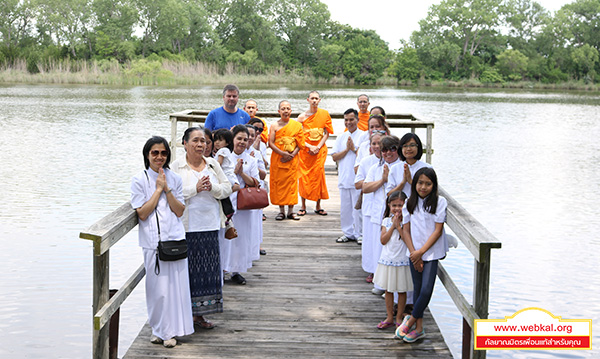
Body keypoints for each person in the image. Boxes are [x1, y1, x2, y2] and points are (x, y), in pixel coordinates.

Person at [130, 136, 193, 348]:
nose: (159, 157)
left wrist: (167, 189)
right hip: (152, 242)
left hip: (174, 237)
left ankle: (171, 331)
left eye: (163, 153)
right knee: (157, 289)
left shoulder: (174, 178)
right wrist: (157, 190)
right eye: (155, 153)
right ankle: (159, 329)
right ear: (147, 155)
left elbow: (179, 210)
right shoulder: (139, 180)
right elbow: (143, 213)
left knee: (176, 288)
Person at [171, 127, 232, 330]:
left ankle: (201, 316)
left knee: (208, 272)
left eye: (204, 142)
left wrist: (211, 188)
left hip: (210, 225)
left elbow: (227, 188)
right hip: (186, 228)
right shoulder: (177, 167)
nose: (200, 145)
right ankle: (184, 315)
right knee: (187, 272)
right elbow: (171, 194)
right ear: (185, 143)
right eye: (195, 141)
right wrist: (195, 189)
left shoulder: (213, 164)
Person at [395, 167, 448, 343]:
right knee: (417, 290)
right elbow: (406, 230)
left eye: (428, 184)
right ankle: (419, 329)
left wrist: (421, 252)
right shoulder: (410, 202)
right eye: (420, 183)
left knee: (426, 290)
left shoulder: (440, 202)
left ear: (434, 185)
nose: (423, 187)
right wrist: (413, 254)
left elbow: (438, 231)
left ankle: (409, 321)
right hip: (413, 251)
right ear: (414, 183)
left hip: (431, 252)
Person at [219, 125, 260, 285]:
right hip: (226, 202)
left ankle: (236, 270)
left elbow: (257, 183)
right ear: (232, 139)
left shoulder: (251, 159)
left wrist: (241, 172)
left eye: (245, 139)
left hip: (243, 205)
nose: (242, 142)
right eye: (239, 139)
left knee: (240, 238)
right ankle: (222, 269)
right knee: (225, 238)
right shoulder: (224, 156)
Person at [362, 135, 401, 294]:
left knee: (394, 251)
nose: (388, 153)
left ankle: (392, 288)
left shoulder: (402, 167)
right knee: (379, 249)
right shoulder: (375, 168)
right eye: (384, 150)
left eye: (392, 149)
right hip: (378, 214)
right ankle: (380, 284)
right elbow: (365, 188)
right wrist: (383, 180)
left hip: (397, 214)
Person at [374, 191, 413, 329]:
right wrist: (392, 226)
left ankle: (398, 317)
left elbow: (406, 239)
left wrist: (399, 227)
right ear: (389, 206)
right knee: (388, 290)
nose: (397, 208)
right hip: (388, 260)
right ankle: (389, 316)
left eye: (400, 205)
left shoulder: (407, 222)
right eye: (394, 205)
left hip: (401, 260)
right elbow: (383, 240)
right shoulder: (385, 221)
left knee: (402, 290)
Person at [297, 91, 333, 216]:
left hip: (319, 150)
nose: (314, 101)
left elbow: (327, 133)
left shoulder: (324, 114)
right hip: (306, 151)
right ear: (308, 100)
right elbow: (298, 136)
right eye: (312, 98)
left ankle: (318, 206)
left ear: (319, 100)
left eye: (316, 98)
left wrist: (317, 146)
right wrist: (309, 146)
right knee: (303, 178)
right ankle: (303, 205)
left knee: (318, 177)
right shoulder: (302, 117)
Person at [332, 108, 365, 243]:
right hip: (344, 177)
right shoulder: (341, 137)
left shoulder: (363, 136)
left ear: (357, 120)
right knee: (345, 208)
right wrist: (347, 149)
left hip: (358, 178)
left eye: (351, 119)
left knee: (358, 208)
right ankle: (348, 232)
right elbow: (334, 156)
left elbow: (365, 156)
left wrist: (354, 149)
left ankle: (360, 233)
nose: (349, 122)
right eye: (346, 120)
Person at [269, 100, 305, 220]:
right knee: (279, 184)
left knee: (291, 184)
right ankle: (281, 211)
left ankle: (291, 211)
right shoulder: (274, 125)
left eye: (288, 109)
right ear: (279, 111)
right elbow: (271, 143)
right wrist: (282, 153)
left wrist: (292, 155)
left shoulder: (297, 125)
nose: (286, 111)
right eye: (283, 109)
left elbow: (300, 143)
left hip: (292, 159)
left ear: (291, 111)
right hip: (278, 159)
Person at [386, 133, 431, 197]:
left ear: (418, 147)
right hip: (400, 205)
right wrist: (403, 182)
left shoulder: (427, 167)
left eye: (412, 145)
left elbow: (430, 192)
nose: (408, 149)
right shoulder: (395, 168)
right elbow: (389, 194)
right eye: (405, 146)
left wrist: (411, 181)